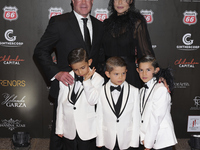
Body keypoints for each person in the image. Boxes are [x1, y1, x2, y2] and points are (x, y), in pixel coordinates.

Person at [33, 0, 104, 149]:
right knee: (62, 137)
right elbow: (40, 51)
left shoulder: (99, 25)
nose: (84, 2)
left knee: (90, 136)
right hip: (67, 87)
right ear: (72, 1)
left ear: (92, 1)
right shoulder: (59, 22)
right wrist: (57, 73)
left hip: (91, 90)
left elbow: (101, 57)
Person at [56, 48, 104, 150]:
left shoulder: (98, 79)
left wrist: (87, 82)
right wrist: (59, 127)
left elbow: (93, 101)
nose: (80, 72)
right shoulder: (66, 77)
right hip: (69, 127)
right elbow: (61, 103)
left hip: (87, 129)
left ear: (89, 62)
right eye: (75, 69)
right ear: (70, 67)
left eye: (83, 67)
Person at [100, 0, 155, 88]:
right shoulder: (106, 24)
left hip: (128, 74)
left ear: (130, 1)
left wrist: (157, 75)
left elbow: (145, 53)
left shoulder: (136, 23)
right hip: (108, 75)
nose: (120, 2)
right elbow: (100, 53)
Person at [96, 56, 140, 150]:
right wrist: (100, 140)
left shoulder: (134, 91)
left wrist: (134, 142)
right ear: (108, 74)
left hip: (127, 139)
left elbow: (136, 118)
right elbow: (99, 117)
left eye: (123, 73)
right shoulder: (101, 91)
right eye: (116, 74)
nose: (120, 77)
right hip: (108, 139)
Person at [136, 55, 177, 150]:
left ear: (156, 70)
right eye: (141, 70)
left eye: (148, 70)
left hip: (161, 141)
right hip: (147, 139)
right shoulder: (142, 90)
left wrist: (148, 143)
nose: (144, 73)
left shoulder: (160, 89)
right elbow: (141, 117)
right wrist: (143, 137)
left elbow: (156, 118)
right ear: (137, 70)